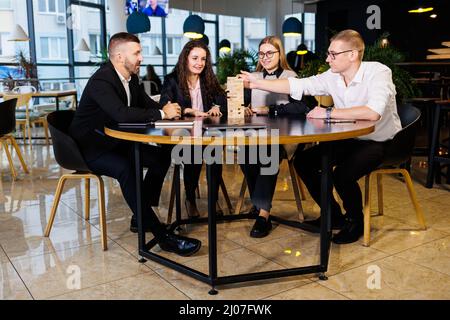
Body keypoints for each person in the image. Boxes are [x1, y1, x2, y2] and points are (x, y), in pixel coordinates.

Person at [240, 29, 401, 244]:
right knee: (304, 161)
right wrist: (257, 83)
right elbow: (299, 85)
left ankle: (355, 221)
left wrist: (328, 113)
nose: (327, 58)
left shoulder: (378, 72)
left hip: (382, 141)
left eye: (333, 54)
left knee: (342, 175)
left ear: (352, 54)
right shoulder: (332, 76)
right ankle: (332, 215)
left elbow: (372, 112)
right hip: (352, 138)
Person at [69, 32, 201, 256]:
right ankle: (163, 237)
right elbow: (121, 114)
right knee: (126, 169)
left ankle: (140, 215)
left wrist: (173, 111)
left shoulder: (131, 78)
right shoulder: (102, 80)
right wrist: (161, 112)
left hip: (113, 142)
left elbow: (147, 105)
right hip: (89, 147)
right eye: (137, 53)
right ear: (120, 56)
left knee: (163, 155)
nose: (141, 58)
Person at [241, 36, 309, 238]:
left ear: (280, 54)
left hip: (284, 138)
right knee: (245, 154)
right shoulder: (254, 77)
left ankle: (263, 214)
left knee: (266, 154)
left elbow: (301, 107)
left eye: (270, 53)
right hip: (257, 136)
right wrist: (244, 108)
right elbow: (245, 104)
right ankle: (258, 202)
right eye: (261, 53)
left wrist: (270, 109)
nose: (265, 57)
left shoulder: (290, 76)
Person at [160, 40, 227, 218]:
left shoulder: (208, 79)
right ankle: (189, 199)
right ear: (185, 59)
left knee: (214, 152)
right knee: (193, 153)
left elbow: (222, 97)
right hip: (183, 134)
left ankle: (213, 200)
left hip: (206, 131)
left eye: (203, 59)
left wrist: (217, 107)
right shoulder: (171, 80)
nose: (199, 63)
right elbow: (164, 104)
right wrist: (187, 110)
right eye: (195, 58)